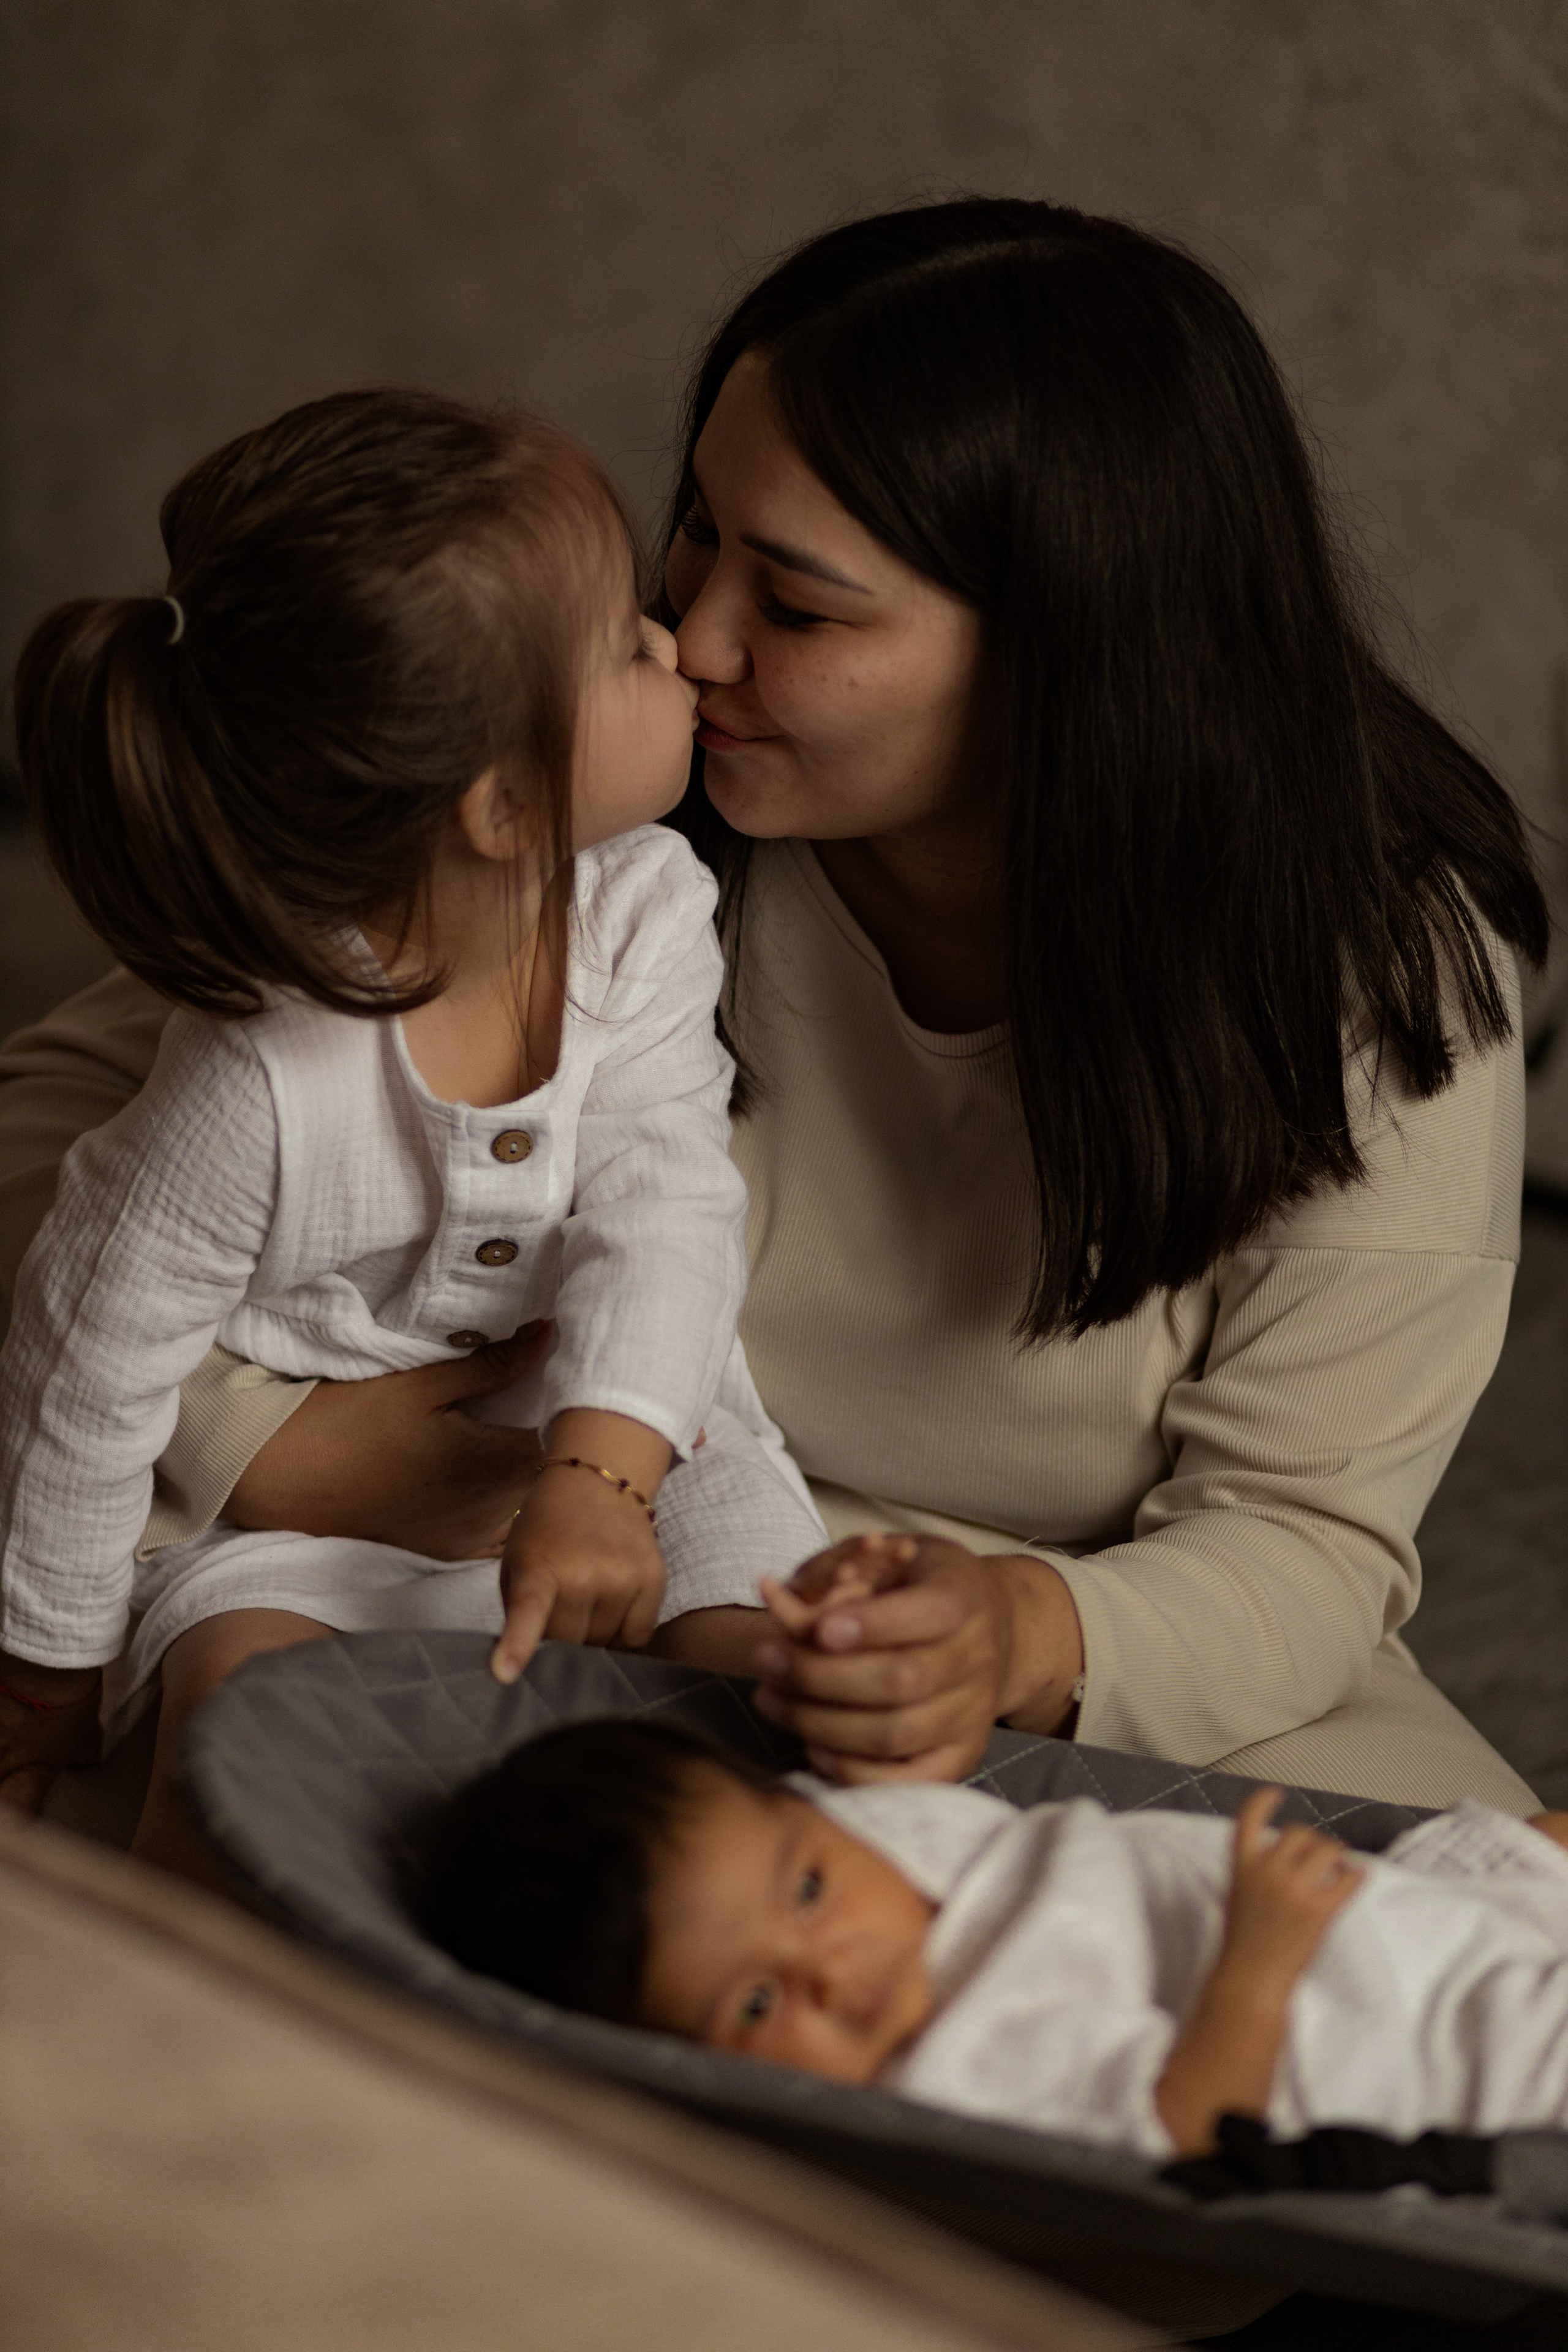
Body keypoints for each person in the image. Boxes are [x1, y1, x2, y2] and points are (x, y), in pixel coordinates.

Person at [0, 197, 1550, 1809]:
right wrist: (288, 1444)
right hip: (511, 1540)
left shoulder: (1371, 972)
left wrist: (1011, 1631)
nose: (695, 638)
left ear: (1070, 655)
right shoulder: (591, 804)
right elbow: (67, 1139)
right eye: (697, 534)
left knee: (1472, 1966)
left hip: (1046, 1623)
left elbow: (1302, 1548)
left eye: (797, 608)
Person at [0, 388, 824, 1872]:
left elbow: (666, 1208)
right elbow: (86, 1354)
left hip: (646, 1436)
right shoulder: (252, 1083)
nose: (679, 647)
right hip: (298, 1510)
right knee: (242, 1719)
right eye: (627, 646)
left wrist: (600, 1474)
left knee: (766, 1702)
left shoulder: (643, 914)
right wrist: (43, 1662)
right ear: (503, 806)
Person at [424, 1695, 1568, 2165]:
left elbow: (823, 1797)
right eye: (760, 2005)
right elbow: (1184, 2137)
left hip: (1416, 1909)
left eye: (812, 1890)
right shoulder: (963, 2064)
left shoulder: (850, 1842)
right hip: (1403, 2041)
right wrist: (1261, 1965)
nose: (837, 1967)